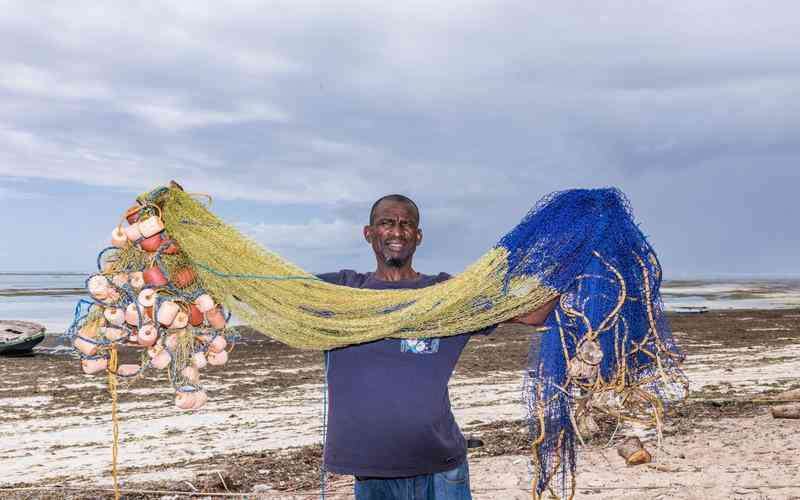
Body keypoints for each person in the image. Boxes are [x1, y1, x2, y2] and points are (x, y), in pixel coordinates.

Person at [316, 194, 557, 500]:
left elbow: (533, 313)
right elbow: (268, 293)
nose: (397, 232)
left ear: (418, 236)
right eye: (386, 223)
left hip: (441, 470)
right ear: (369, 233)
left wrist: (572, 265)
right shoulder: (340, 291)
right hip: (372, 473)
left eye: (407, 225)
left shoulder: (448, 295)